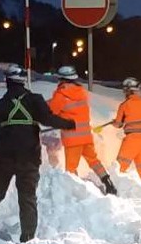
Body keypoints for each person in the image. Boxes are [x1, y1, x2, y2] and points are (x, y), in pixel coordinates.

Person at [0, 64, 75, 242]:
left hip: (4, 156)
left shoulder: (1, 104)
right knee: (27, 197)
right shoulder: (35, 100)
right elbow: (48, 119)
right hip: (28, 157)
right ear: (23, 81)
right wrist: (68, 124)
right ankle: (27, 238)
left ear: (8, 81)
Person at [48, 65, 117, 195]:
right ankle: (108, 183)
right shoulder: (81, 92)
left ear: (62, 79)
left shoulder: (61, 94)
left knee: (71, 168)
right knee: (94, 161)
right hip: (86, 136)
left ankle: (74, 194)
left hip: (72, 138)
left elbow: (51, 110)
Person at [105, 77, 141, 189]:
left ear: (127, 91)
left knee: (120, 166)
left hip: (132, 139)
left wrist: (114, 122)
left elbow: (119, 124)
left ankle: (115, 188)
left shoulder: (124, 105)